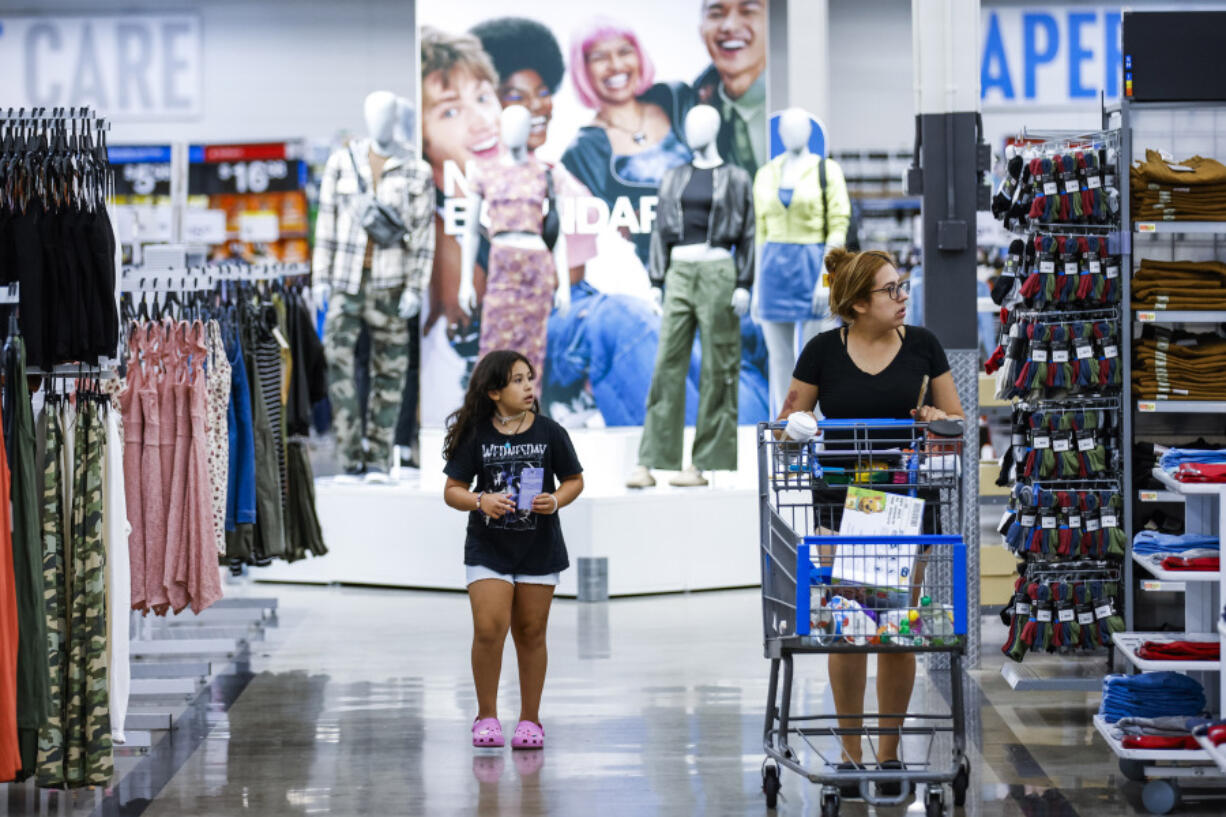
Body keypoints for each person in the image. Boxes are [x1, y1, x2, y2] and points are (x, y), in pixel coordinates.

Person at [775, 248, 964, 797]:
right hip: (840, 504)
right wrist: (799, 427)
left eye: (903, 286)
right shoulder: (820, 351)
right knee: (848, 624)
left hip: (907, 503)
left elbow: (954, 418)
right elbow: (787, 423)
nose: (903, 297)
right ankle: (850, 754)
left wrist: (935, 417)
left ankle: (888, 756)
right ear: (858, 303)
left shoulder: (924, 346)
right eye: (891, 290)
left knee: (897, 629)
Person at [442, 350, 584, 750]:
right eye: (517, 380)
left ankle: (530, 721)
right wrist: (479, 501)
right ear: (493, 392)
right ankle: (486, 716)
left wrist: (555, 500)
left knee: (531, 632)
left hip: (539, 547)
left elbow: (574, 480)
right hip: (488, 547)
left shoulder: (551, 432)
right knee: (489, 629)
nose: (527, 387)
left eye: (529, 378)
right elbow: (452, 491)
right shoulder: (476, 434)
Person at [470, 16, 598, 286]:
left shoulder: (559, 179)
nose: (537, 106)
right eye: (516, 97)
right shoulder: (476, 171)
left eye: (543, 92)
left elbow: (573, 277)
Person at [561, 17, 694, 266]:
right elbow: (604, 239)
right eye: (600, 57)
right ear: (583, 68)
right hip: (650, 273)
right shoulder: (581, 152)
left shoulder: (677, 98)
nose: (616, 65)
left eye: (624, 51)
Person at [693, 0, 767, 176]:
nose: (729, 26)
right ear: (701, 30)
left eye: (747, 11)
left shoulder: (789, 99)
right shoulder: (692, 104)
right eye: (717, 14)